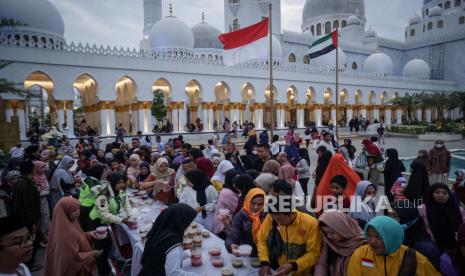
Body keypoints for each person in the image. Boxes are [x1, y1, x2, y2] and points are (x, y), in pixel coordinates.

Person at [257, 185, 321, 276]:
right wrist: (264, 262)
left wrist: (293, 266)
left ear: (291, 213)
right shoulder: (271, 218)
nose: (278, 223)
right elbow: (262, 240)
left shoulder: (311, 224)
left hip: (301, 272)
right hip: (280, 269)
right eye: (276, 220)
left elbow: (314, 253)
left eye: (281, 220)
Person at [347, 216, 439, 276]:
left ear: (392, 237)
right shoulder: (360, 254)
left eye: (378, 237)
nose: (372, 241)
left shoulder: (413, 258)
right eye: (369, 236)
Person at [44, 197, 100, 276]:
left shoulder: (70, 223)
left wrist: (88, 234)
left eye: (78, 209)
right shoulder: (64, 235)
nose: (77, 212)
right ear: (66, 213)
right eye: (73, 211)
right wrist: (91, 254)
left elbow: (77, 236)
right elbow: (72, 260)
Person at [139, 203, 200, 276]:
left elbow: (163, 255)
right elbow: (173, 273)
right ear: (180, 221)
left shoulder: (161, 231)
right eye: (187, 221)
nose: (188, 225)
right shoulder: (173, 242)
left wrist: (187, 254)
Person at [389, 200, 441, 270]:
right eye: (389, 214)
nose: (390, 219)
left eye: (395, 216)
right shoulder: (392, 236)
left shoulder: (425, 247)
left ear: (407, 218)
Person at [314, 211, 365, 276]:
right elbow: (322, 265)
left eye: (332, 233)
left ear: (341, 228)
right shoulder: (329, 242)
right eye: (326, 233)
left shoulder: (362, 242)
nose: (329, 236)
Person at [418, 183, 465, 252]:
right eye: (437, 192)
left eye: (445, 193)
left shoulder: (458, 210)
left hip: (455, 247)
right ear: (431, 194)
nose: (441, 195)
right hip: (432, 246)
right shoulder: (422, 209)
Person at [226, 188, 266, 257]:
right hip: (247, 254)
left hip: (265, 255)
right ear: (248, 201)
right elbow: (233, 234)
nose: (256, 207)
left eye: (260, 204)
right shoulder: (241, 216)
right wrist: (231, 245)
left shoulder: (266, 216)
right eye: (253, 203)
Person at [78, 165, 108, 232]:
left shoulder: (88, 179)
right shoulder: (92, 182)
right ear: (98, 172)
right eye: (104, 172)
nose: (105, 174)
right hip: (88, 208)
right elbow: (102, 195)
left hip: (83, 206)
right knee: (91, 230)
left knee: (86, 228)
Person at [212, 169, 240, 238]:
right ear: (230, 179)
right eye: (235, 179)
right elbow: (237, 208)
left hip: (227, 220)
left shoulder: (233, 189)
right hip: (223, 224)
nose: (238, 181)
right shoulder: (227, 192)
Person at [32, 161, 51, 247]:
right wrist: (45, 191)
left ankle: (46, 235)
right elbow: (37, 192)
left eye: (44, 167)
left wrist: (45, 191)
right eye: (41, 167)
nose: (44, 169)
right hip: (38, 202)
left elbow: (47, 187)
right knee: (42, 218)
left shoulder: (43, 176)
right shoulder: (34, 178)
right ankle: (42, 238)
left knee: (46, 216)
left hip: (44, 199)